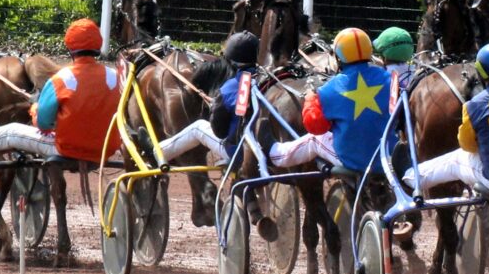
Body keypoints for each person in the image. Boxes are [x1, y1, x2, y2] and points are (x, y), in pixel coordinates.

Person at [0, 18, 123, 164]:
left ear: (69, 48)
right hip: (106, 150)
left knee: (11, 131)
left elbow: (43, 124)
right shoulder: (116, 77)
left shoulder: (61, 79)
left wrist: (35, 109)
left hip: (66, 149)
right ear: (98, 46)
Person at [404, 43, 489, 195]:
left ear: (480, 71)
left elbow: (467, 145)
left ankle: (410, 177)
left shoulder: (473, 105)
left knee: (455, 159)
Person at [269, 28, 392, 172]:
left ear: (339, 58)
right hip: (388, 155)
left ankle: (275, 154)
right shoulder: (388, 78)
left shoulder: (329, 89)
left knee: (314, 139)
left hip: (353, 161)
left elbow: (316, 127)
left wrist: (310, 100)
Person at [157, 31, 262, 168]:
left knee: (198, 127)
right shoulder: (262, 79)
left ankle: (158, 151)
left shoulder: (230, 87)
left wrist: (215, 106)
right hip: (263, 147)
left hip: (237, 152)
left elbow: (219, 130)